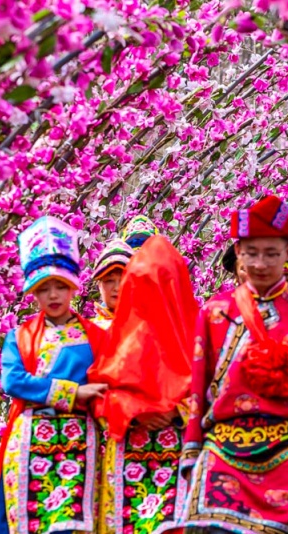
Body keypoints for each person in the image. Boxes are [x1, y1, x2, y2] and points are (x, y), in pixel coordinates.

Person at [168, 195, 288, 534]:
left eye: (271, 253)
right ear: (238, 253)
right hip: (222, 447)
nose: (260, 263)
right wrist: (191, 448)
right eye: (251, 253)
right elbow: (198, 385)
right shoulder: (215, 311)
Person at [0, 216, 107, 534]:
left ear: (73, 287)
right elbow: (13, 382)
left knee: (72, 526)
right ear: (33, 292)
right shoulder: (18, 337)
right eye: (45, 288)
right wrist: (74, 393)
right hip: (29, 442)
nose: (54, 295)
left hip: (80, 443)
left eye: (61, 286)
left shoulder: (96, 337)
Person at [92, 220, 194, 534]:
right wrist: (134, 411)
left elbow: (208, 388)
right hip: (125, 445)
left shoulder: (190, 328)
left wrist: (174, 409)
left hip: (176, 448)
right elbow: (95, 391)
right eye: (107, 280)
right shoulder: (98, 331)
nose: (117, 287)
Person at [91, 238, 133, 328]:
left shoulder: (147, 328)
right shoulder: (89, 332)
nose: (117, 288)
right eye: (109, 280)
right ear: (99, 286)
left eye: (123, 280)